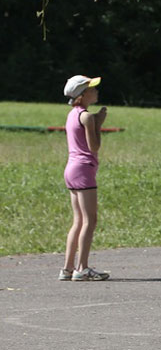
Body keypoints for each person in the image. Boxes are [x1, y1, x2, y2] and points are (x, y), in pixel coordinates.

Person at [61, 74, 110, 281]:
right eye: (92, 88)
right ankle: (82, 267)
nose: (96, 91)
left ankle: (67, 268)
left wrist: (95, 120)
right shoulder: (87, 117)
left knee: (78, 220)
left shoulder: (73, 114)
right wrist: (98, 123)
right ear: (82, 95)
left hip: (71, 169)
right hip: (84, 169)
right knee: (90, 220)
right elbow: (94, 147)